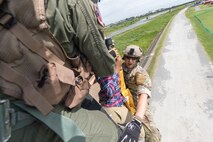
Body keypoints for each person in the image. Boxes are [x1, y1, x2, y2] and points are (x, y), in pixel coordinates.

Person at [0, 0, 120, 141]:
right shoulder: (74, 2)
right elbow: (103, 66)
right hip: (25, 115)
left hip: (13, 104)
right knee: (110, 133)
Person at [121, 45, 161, 142]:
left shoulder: (140, 74)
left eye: (133, 59)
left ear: (137, 60)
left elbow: (144, 94)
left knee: (153, 136)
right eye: (128, 58)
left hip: (137, 104)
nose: (130, 61)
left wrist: (138, 119)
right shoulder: (120, 68)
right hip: (123, 103)